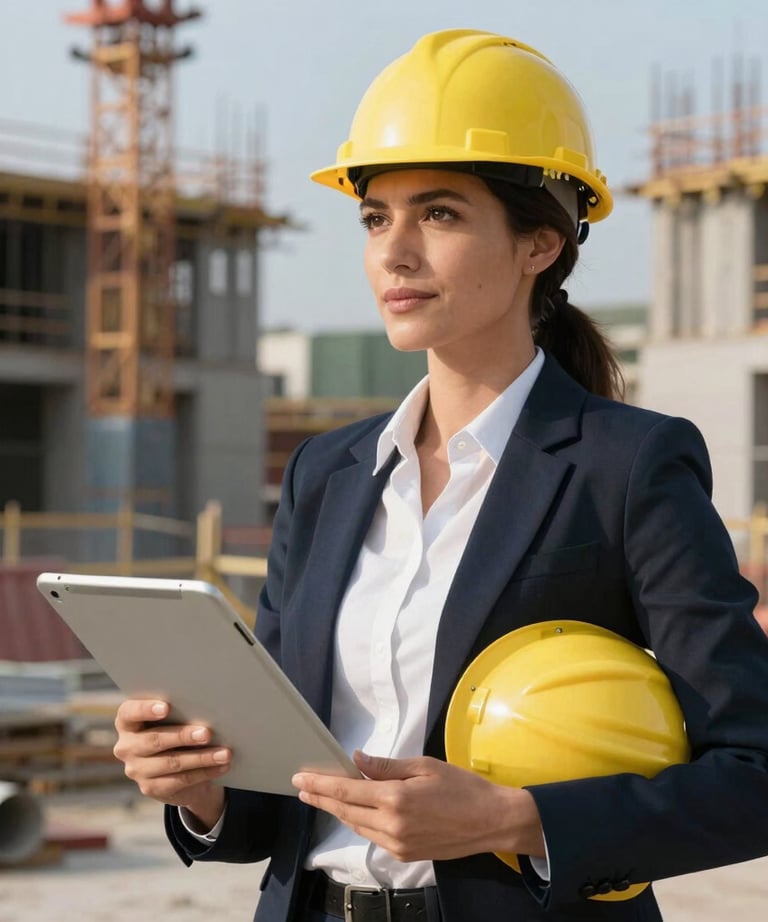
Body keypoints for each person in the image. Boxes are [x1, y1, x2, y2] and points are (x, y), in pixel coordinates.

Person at [112, 29, 768, 922]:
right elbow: (285, 796)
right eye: (377, 217)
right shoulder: (327, 472)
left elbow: (751, 774)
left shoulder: (629, 466)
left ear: (541, 243)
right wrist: (199, 789)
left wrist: (516, 820)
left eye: (441, 213)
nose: (395, 251)